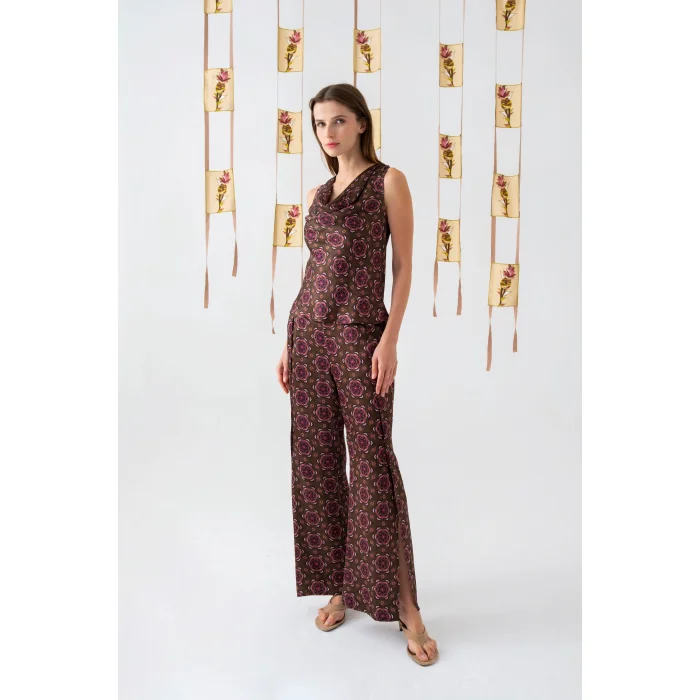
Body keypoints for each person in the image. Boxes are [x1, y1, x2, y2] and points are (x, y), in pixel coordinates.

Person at [275, 83, 439, 666]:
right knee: (317, 463)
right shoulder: (317, 195)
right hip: (309, 335)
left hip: (360, 337)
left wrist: (389, 339)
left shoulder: (388, 181)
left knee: (372, 465)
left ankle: (407, 606)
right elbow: (315, 270)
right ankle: (342, 585)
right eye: (320, 123)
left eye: (339, 121)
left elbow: (404, 267)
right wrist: (290, 342)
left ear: (362, 123)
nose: (329, 132)